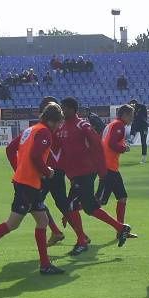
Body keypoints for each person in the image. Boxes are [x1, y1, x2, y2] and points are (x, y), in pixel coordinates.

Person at [0, 103, 66, 275]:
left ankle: (45, 264)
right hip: (27, 184)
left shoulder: (31, 129)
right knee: (12, 224)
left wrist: (19, 168)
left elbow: (10, 149)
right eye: (58, 123)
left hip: (28, 182)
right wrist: (47, 172)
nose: (59, 127)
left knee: (42, 221)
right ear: (52, 121)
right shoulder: (44, 132)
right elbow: (36, 156)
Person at [7, 97, 86, 248]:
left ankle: (66, 234)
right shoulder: (60, 127)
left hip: (44, 171)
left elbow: (11, 149)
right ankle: (78, 235)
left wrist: (18, 171)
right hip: (55, 170)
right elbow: (70, 151)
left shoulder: (39, 129)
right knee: (57, 204)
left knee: (39, 204)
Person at [59, 97, 133, 255]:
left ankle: (82, 240)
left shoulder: (82, 125)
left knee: (75, 206)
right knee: (89, 207)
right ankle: (121, 227)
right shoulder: (64, 127)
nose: (62, 110)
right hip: (77, 174)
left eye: (64, 108)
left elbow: (98, 146)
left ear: (73, 109)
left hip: (86, 172)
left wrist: (101, 171)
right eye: (61, 108)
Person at [95, 104, 136, 231]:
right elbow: (112, 144)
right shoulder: (119, 125)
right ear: (124, 115)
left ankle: (121, 229)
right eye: (131, 115)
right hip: (108, 168)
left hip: (111, 167)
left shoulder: (113, 124)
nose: (132, 118)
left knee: (122, 197)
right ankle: (73, 208)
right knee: (97, 202)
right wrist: (124, 148)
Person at [129, 99, 148, 164]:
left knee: (143, 141)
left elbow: (144, 116)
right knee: (133, 125)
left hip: (143, 125)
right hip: (137, 124)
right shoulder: (132, 110)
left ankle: (144, 157)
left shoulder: (142, 107)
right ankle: (131, 138)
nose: (132, 106)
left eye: (132, 105)